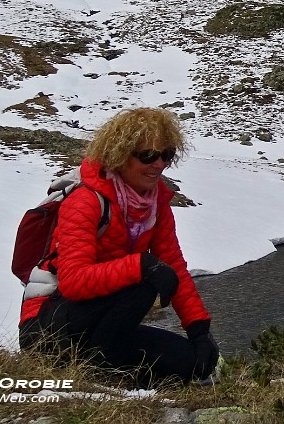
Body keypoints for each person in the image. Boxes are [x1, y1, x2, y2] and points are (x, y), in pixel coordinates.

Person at [18, 106, 219, 384]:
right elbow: (73, 282)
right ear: (120, 155)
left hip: (100, 328)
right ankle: (97, 373)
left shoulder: (154, 204)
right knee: (145, 281)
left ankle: (107, 366)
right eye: (147, 155)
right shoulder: (86, 200)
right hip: (47, 327)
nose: (158, 164)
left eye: (167, 155)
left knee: (190, 363)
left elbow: (175, 268)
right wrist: (141, 265)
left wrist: (199, 332)